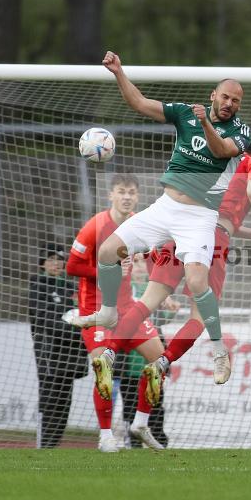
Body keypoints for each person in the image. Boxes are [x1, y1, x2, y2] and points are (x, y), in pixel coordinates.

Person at [68, 51, 251, 386]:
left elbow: (222, 151)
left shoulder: (240, 130)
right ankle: (109, 311)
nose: (230, 103)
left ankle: (219, 349)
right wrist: (119, 73)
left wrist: (207, 122)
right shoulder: (184, 113)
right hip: (165, 207)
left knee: (197, 283)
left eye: (235, 100)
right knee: (108, 252)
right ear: (213, 95)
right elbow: (139, 103)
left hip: (199, 216)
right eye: (225, 97)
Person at [123, 128, 251, 403]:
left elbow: (220, 215)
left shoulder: (217, 160)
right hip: (211, 240)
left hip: (180, 229)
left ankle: (109, 349)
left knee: (148, 301)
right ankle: (162, 362)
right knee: (199, 316)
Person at [65, 173, 166, 451]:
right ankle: (106, 435)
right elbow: (72, 267)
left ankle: (141, 423)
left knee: (160, 360)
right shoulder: (95, 226)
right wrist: (105, 269)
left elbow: (152, 256)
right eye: (121, 191)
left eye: (131, 192)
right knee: (103, 370)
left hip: (127, 308)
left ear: (137, 196)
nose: (126, 197)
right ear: (110, 195)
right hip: (95, 309)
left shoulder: (140, 223)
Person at [29, 244, 87, 449]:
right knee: (49, 398)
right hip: (50, 352)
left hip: (70, 354)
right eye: (51, 259)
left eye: (59, 259)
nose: (56, 263)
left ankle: (53, 445)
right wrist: (72, 328)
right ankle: (42, 443)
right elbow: (42, 317)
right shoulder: (38, 284)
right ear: (43, 263)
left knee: (64, 400)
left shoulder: (72, 287)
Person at [116, 253, 174, 448]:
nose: (139, 266)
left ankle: (159, 442)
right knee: (130, 405)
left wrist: (169, 308)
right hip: (129, 364)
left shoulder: (154, 289)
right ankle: (133, 443)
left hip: (152, 361)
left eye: (143, 261)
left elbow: (161, 320)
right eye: (136, 261)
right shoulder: (122, 290)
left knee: (156, 404)